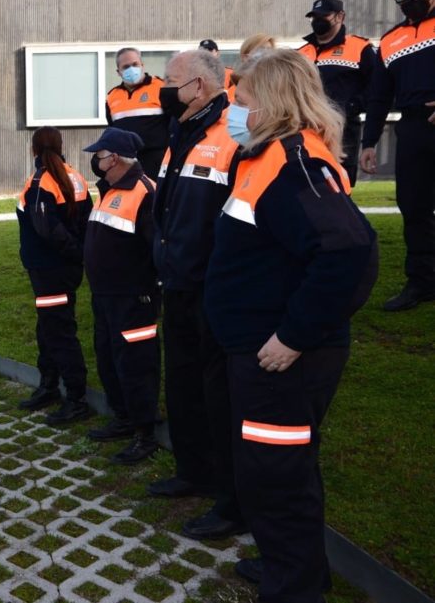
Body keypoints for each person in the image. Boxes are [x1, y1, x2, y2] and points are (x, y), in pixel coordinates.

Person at [205, 48, 377, 602]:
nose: (234, 109)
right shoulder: (265, 157)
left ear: (272, 104)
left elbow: (348, 256)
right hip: (257, 352)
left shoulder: (295, 163)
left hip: (281, 359)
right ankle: (291, 567)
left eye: (243, 100)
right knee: (277, 471)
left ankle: (295, 589)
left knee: (276, 476)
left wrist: (293, 337)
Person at [149, 50, 244, 540]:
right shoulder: (180, 131)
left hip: (214, 288)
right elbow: (166, 205)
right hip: (177, 282)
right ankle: (194, 471)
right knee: (182, 384)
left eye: (170, 80)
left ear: (200, 86)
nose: (162, 89)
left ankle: (231, 501)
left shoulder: (233, 134)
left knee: (219, 397)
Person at [82, 128, 160, 465]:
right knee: (109, 358)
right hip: (106, 296)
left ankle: (145, 432)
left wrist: (145, 291)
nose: (95, 160)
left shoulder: (145, 191)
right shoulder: (109, 189)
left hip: (133, 299)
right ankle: (123, 417)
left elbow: (156, 248)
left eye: (98, 155)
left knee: (136, 364)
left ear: (113, 158)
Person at [362, 0, 435, 311]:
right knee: (414, 206)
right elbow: (378, 97)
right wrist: (368, 142)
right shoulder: (390, 41)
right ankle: (422, 282)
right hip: (413, 127)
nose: (411, 4)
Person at [15, 126, 94, 426]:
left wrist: (74, 253)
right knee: (48, 328)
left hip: (50, 271)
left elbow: (48, 231)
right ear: (61, 146)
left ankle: (76, 398)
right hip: (66, 269)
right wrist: (80, 255)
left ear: (34, 149)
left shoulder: (39, 183)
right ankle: (49, 386)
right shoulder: (76, 176)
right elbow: (87, 221)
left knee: (59, 332)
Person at [298, 0, 376, 186]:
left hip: (343, 131)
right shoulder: (301, 53)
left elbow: (376, 87)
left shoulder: (359, 48)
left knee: (340, 188)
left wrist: (354, 105)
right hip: (307, 131)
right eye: (314, 17)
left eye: (324, 15)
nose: (318, 20)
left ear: (340, 16)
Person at [105, 48, 170, 178]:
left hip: (158, 163)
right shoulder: (112, 97)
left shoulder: (161, 87)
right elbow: (113, 130)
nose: (131, 69)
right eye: (126, 67)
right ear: (118, 72)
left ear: (142, 65)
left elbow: (175, 124)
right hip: (126, 165)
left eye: (135, 64)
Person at [228, 34, 276, 102]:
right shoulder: (237, 91)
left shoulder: (278, 87)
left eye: (270, 50)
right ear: (245, 57)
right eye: (261, 50)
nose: (267, 55)